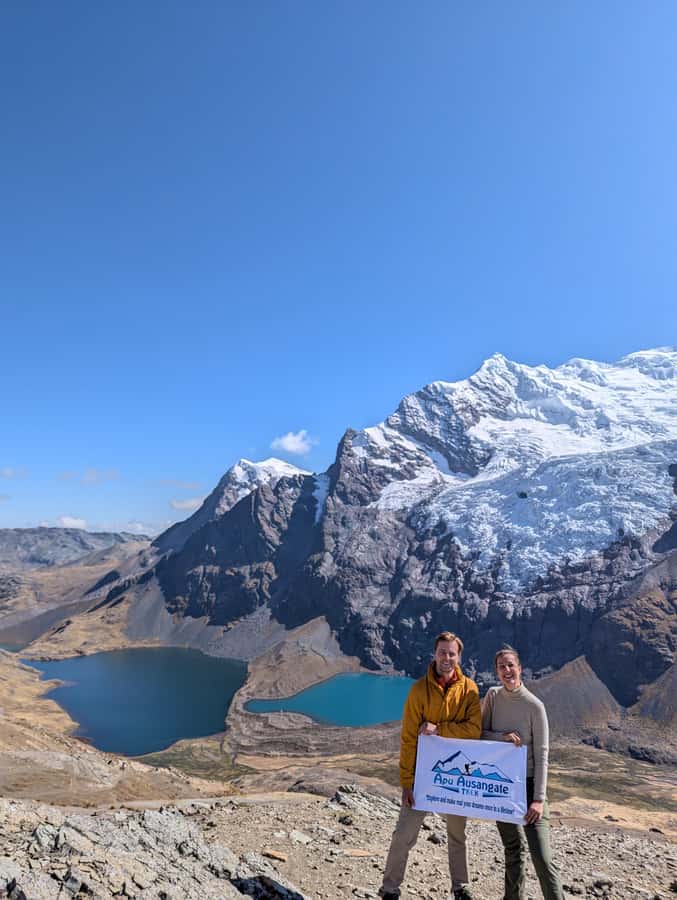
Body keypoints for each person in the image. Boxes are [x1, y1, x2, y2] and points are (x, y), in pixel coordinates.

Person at [379, 631, 481, 900]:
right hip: (424, 779)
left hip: (455, 778)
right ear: (434, 654)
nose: (447, 658)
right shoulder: (418, 691)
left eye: (452, 653)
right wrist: (406, 782)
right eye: (442, 652)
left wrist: (439, 730)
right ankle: (390, 889)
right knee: (404, 835)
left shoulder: (470, 689)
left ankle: (461, 887)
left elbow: (473, 730)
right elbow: (409, 738)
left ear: (459, 656)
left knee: (457, 835)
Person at [481, 646, 564, 900]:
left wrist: (538, 799)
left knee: (542, 856)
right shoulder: (493, 697)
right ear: (496, 671)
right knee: (513, 849)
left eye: (510, 665)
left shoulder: (534, 706)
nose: (507, 671)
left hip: (528, 787)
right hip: (503, 787)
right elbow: (481, 735)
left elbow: (542, 755)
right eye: (501, 667)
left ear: (520, 667)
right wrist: (501, 737)